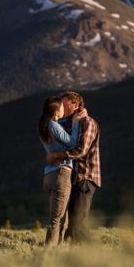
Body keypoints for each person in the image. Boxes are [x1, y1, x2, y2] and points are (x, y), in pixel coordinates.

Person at [46, 91, 100, 243]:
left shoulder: (87, 122)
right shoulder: (68, 124)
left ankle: (89, 253)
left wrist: (57, 155)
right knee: (68, 224)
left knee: (78, 223)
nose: (61, 107)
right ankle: (71, 254)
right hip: (71, 178)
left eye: (64, 104)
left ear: (75, 105)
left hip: (84, 177)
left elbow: (81, 150)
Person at [38, 96, 81, 246]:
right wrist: (75, 124)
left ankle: (58, 250)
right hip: (61, 173)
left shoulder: (45, 126)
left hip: (49, 175)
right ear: (56, 111)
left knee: (62, 218)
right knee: (57, 219)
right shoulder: (53, 126)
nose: (64, 108)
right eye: (62, 107)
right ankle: (49, 252)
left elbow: (58, 127)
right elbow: (72, 143)